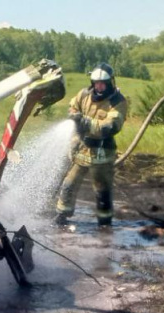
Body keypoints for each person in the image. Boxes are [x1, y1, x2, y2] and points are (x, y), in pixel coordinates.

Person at [54, 62, 128, 227]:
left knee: (101, 191)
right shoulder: (84, 94)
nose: (99, 87)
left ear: (110, 82)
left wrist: (85, 122)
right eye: (96, 83)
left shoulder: (118, 101)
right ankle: (62, 215)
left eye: (103, 83)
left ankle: (105, 222)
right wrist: (74, 115)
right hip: (83, 149)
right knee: (69, 184)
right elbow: (73, 106)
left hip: (103, 152)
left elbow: (111, 126)